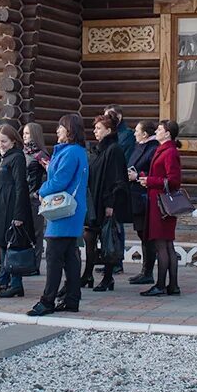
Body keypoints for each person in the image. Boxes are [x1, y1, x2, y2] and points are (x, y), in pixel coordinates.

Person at [30, 113, 89, 316]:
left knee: (54, 256)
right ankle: (72, 298)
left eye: (61, 127)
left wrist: (42, 190)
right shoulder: (74, 151)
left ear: (70, 130)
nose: (57, 130)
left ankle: (47, 301)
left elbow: (60, 181)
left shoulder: (70, 152)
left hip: (63, 210)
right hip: (71, 209)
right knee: (70, 256)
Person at [0, 124, 36, 299]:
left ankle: (16, 284)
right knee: (3, 244)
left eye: (4, 141)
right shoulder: (3, 157)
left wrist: (19, 215)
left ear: (13, 141)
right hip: (1, 206)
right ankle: (3, 279)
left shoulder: (17, 158)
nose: (1, 144)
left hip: (12, 206)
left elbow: (20, 187)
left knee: (13, 244)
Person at [137, 120, 184, 297]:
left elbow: (173, 181)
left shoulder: (170, 152)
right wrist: (145, 177)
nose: (156, 131)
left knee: (162, 244)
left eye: (159, 129)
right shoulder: (163, 149)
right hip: (159, 201)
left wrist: (149, 181)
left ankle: (161, 284)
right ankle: (172, 285)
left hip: (162, 204)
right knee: (167, 244)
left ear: (168, 133)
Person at [84, 114, 129, 291]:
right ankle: (87, 273)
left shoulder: (114, 149)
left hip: (107, 203)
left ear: (108, 130)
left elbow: (116, 179)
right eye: (95, 128)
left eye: (99, 128)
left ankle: (108, 277)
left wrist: (111, 204)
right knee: (90, 237)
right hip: (95, 201)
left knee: (107, 239)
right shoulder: (99, 150)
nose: (95, 131)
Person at [125, 121, 158, 284]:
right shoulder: (140, 147)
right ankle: (145, 270)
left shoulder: (152, 149)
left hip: (145, 198)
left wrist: (136, 176)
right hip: (136, 196)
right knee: (142, 234)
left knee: (147, 235)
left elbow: (153, 172)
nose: (134, 133)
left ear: (145, 134)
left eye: (137, 131)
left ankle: (148, 271)